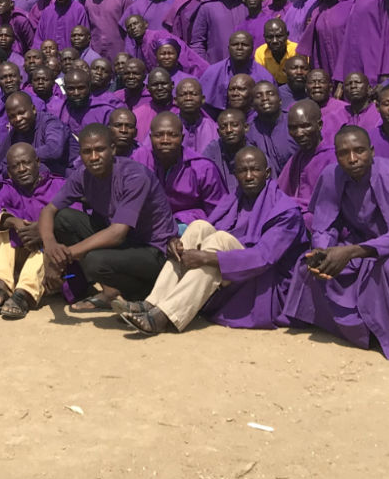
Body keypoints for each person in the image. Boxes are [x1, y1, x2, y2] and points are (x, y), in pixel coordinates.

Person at [282, 126, 389, 359]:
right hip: (359, 252)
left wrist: (351, 252)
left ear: (371, 151)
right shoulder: (332, 175)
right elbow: (325, 225)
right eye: (344, 153)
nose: (352, 159)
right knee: (310, 264)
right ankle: (359, 330)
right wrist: (324, 251)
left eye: (359, 151)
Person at [116, 144, 308, 334]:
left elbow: (263, 258)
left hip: (266, 281)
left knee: (220, 240)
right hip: (236, 271)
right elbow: (209, 231)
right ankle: (152, 302)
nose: (249, 176)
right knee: (199, 226)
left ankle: (165, 316)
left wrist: (206, 258)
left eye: (255, 170)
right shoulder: (236, 198)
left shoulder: (285, 211)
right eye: (242, 171)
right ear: (235, 174)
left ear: (267, 173)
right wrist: (178, 243)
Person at [39, 123, 174, 311]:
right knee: (64, 219)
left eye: (100, 150)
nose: (94, 157)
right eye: (87, 151)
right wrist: (50, 247)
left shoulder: (134, 177)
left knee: (95, 260)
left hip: (153, 251)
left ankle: (142, 293)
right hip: (124, 243)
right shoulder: (83, 175)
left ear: (112, 149)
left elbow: (118, 232)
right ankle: (110, 292)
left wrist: (64, 257)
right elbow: (49, 210)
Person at [0, 143, 62, 320]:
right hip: (19, 257)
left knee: (49, 237)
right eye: (15, 166)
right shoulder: (9, 188)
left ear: (37, 162)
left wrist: (42, 229)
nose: (22, 169)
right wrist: (14, 221)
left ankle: (24, 294)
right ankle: (1, 286)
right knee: (1, 226)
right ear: (9, 171)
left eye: (26, 163)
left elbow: (73, 215)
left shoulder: (58, 186)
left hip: (51, 262)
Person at [135, 112, 230, 225]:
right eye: (158, 135)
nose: (165, 140)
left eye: (173, 135)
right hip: (148, 226)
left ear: (182, 137)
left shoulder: (202, 168)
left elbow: (217, 212)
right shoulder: (139, 159)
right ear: (150, 137)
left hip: (187, 227)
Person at [277, 99, 334, 215]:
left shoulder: (332, 157)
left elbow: (327, 204)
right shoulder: (298, 157)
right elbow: (280, 191)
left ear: (319, 125)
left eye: (305, 126)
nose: (299, 133)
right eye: (293, 128)